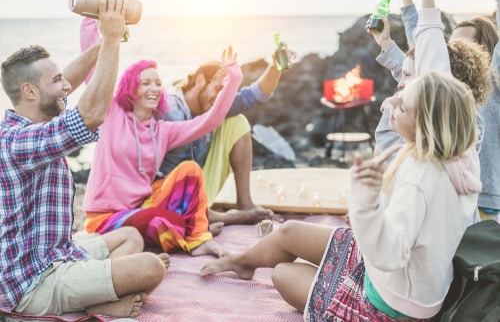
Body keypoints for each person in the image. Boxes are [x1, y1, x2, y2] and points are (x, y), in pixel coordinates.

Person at [200, 70, 481, 321]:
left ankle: (250, 264)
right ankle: (243, 262)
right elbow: (440, 92)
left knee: (282, 273)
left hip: (390, 301)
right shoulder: (458, 156)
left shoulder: (420, 177)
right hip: (391, 272)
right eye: (398, 96)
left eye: (402, 107)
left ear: (426, 127)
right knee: (288, 232)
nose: (389, 105)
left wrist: (365, 202)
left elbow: (389, 254)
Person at [0, 0, 167, 318]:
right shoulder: (18, 141)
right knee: (150, 266)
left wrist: (108, 37)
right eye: (57, 80)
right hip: (32, 283)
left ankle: (97, 291)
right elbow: (90, 114)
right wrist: (111, 40)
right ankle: (98, 301)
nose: (67, 86)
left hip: (57, 254)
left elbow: (66, 84)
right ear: (30, 91)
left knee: (131, 235)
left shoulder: (32, 114)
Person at [82, 47, 242, 258]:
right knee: (158, 220)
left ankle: (197, 239)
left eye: (158, 83)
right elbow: (95, 75)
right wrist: (97, 26)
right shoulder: (112, 113)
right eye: (146, 83)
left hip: (141, 206)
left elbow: (209, 121)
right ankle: (187, 231)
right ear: (131, 88)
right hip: (104, 216)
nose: (154, 88)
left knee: (190, 170)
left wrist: (234, 78)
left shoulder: (162, 131)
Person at [370, 0, 500, 221]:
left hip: (485, 201)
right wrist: (406, 2)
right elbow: (419, 58)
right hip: (452, 196)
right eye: (447, 44)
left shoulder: (491, 84)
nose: (447, 50)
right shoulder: (440, 91)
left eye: (459, 45)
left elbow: (427, 50)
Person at [157, 54, 291, 227]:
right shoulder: (170, 110)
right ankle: (214, 217)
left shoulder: (217, 104)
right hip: (167, 193)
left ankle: (244, 203)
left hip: (199, 185)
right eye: (218, 88)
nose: (221, 98)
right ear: (199, 80)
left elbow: (255, 96)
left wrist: (275, 66)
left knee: (237, 122)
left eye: (225, 92)